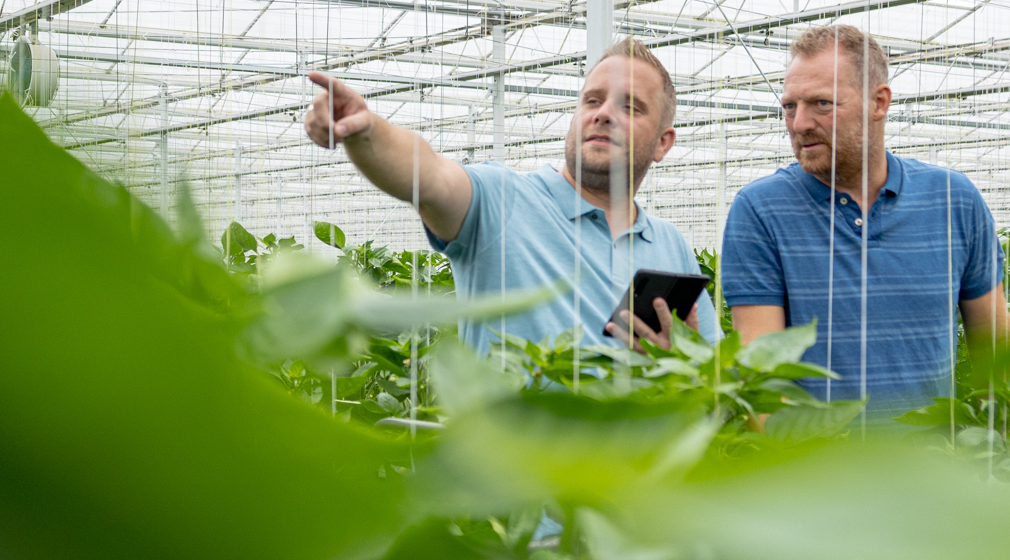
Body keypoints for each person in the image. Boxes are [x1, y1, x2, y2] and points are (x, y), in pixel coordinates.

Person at [302, 37, 715, 351]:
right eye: (592, 100)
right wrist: (368, 130)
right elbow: (429, 177)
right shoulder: (503, 200)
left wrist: (684, 359)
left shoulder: (668, 244)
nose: (603, 113)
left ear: (664, 143)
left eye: (631, 107)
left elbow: (716, 373)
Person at [722, 25, 1010, 417]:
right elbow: (761, 382)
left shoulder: (954, 200)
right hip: (814, 471)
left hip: (937, 470)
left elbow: (996, 346)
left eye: (822, 104)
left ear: (879, 102)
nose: (799, 124)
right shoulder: (761, 211)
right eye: (790, 106)